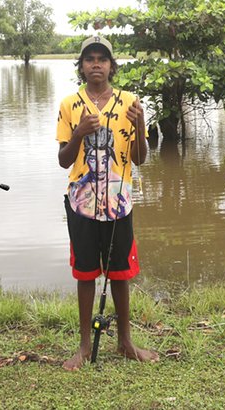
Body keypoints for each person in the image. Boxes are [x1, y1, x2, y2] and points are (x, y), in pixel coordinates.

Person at [56, 35, 159, 370]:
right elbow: (63, 160)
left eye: (102, 59)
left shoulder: (129, 102)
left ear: (112, 66)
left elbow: (140, 159)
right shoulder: (70, 104)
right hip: (81, 204)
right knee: (85, 273)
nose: (96, 64)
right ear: (82, 67)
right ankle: (85, 346)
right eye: (90, 59)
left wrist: (141, 122)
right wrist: (79, 133)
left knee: (120, 273)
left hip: (119, 201)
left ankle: (125, 343)